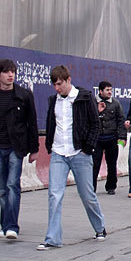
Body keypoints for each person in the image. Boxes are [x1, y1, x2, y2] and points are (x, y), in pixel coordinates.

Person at [37, 65, 106, 250]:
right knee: (54, 194)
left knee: (87, 195)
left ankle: (100, 227)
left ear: (68, 79)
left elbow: (95, 125)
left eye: (59, 83)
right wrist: (49, 145)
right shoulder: (54, 100)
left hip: (79, 153)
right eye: (54, 84)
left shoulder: (84, 97)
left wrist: (88, 147)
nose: (57, 88)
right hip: (59, 152)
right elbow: (51, 123)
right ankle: (52, 238)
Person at [0, 59, 39, 239]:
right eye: (7, 72)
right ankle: (4, 224)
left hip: (16, 147)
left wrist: (34, 149)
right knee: (1, 189)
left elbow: (32, 122)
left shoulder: (24, 95)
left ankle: (12, 227)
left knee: (12, 185)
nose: (10, 75)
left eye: (13, 72)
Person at [92, 81, 127, 194]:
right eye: (107, 90)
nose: (109, 92)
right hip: (97, 139)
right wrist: (97, 111)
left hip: (111, 138)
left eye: (110, 90)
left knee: (112, 164)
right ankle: (91, 188)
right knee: (94, 164)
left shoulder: (116, 104)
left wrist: (122, 136)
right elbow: (89, 119)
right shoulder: (93, 103)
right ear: (100, 91)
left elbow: (121, 120)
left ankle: (111, 186)